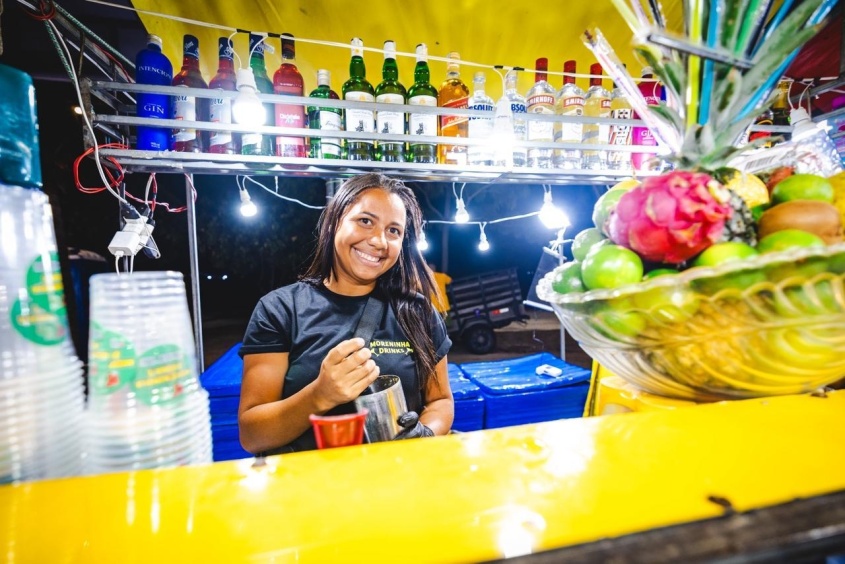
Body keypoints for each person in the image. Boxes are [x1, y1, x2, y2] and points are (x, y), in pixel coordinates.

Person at [238, 173, 454, 454]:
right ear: (335, 222)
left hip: (395, 484)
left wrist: (425, 433)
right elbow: (253, 434)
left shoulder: (418, 312)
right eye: (365, 221)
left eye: (394, 231)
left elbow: (441, 401)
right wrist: (319, 395)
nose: (379, 241)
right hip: (307, 489)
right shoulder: (280, 309)